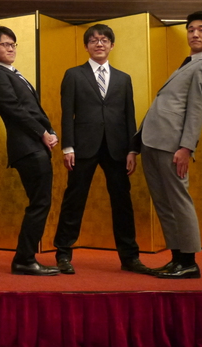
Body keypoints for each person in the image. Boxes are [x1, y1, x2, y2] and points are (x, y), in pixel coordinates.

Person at [52, 24, 149, 275]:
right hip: (83, 147)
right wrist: (68, 147)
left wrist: (132, 150)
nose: (99, 44)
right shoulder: (73, 75)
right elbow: (67, 113)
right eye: (93, 40)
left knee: (122, 202)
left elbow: (129, 116)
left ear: (112, 45)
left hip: (117, 148)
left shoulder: (123, 78)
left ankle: (130, 257)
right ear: (86, 46)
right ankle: (63, 254)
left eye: (104, 40)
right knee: (74, 200)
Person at [133, 11, 202, 279]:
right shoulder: (188, 64)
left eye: (201, 30)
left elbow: (196, 109)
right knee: (164, 204)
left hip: (172, 146)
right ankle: (177, 259)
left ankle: (189, 262)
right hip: (153, 142)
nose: (194, 34)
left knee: (179, 201)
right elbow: (163, 104)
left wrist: (186, 148)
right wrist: (136, 144)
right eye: (191, 29)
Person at [0, 26, 59, 276]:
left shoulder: (14, 74)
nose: (11, 48)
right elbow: (14, 109)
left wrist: (49, 131)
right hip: (27, 147)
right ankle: (24, 259)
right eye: (5, 44)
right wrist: (42, 132)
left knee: (40, 202)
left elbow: (33, 109)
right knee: (40, 202)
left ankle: (25, 258)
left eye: (13, 44)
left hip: (34, 145)